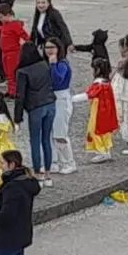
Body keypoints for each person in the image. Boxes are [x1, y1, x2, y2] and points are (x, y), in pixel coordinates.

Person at [12, 42, 57, 183]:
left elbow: (20, 96)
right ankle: (48, 173)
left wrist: (17, 117)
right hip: (50, 103)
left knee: (35, 141)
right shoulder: (44, 65)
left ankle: (38, 173)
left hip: (35, 107)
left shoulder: (22, 72)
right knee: (46, 139)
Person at [44, 39, 77, 175]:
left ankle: (69, 162)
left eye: (52, 47)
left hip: (61, 99)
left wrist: (53, 65)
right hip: (50, 99)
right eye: (47, 47)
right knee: (51, 133)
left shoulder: (62, 64)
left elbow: (58, 80)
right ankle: (55, 162)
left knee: (60, 133)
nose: (49, 50)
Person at [79, 58, 118, 162]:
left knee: (95, 130)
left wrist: (71, 99)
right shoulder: (107, 82)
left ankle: (101, 152)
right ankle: (106, 150)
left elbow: (89, 95)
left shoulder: (98, 84)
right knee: (105, 132)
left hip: (98, 110)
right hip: (107, 110)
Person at [0, 3, 29, 97]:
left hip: (13, 52)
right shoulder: (6, 24)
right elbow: (4, 28)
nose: (0, 20)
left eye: (1, 17)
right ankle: (10, 90)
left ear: (8, 15)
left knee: (12, 72)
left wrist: (29, 44)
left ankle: (14, 91)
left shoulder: (15, 25)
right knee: (7, 72)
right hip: (5, 52)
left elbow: (24, 35)